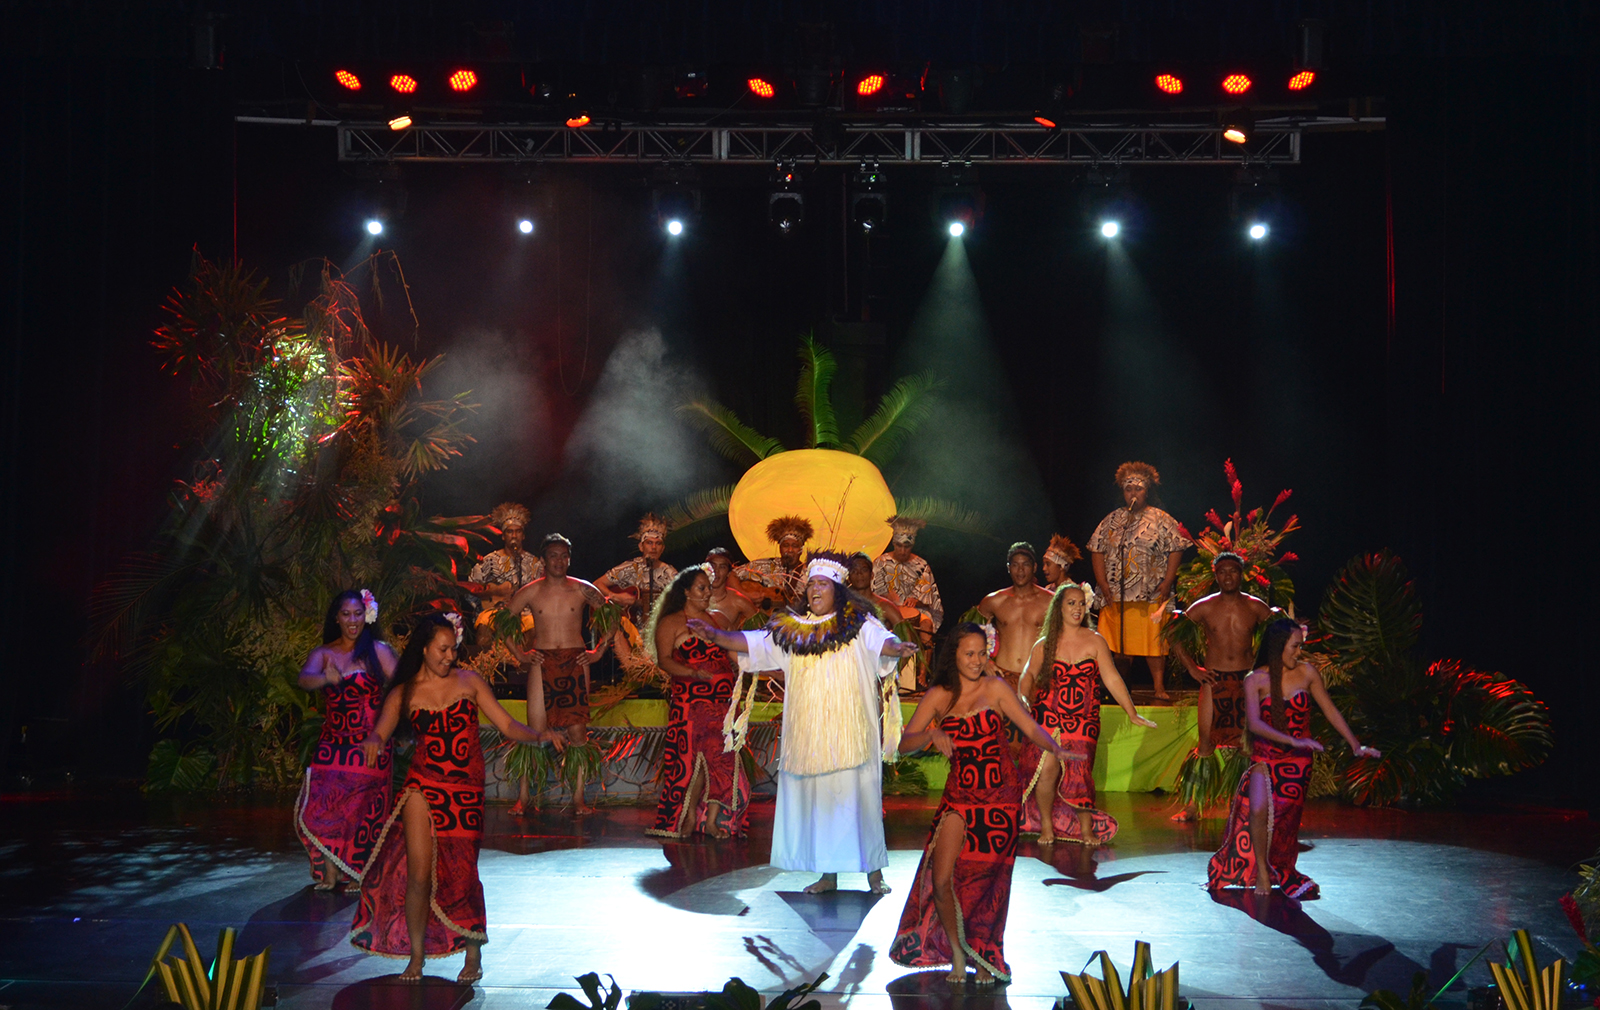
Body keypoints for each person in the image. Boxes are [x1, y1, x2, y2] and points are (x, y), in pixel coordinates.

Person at [687, 551, 917, 895]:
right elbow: (752, 642)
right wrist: (715, 635)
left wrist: (897, 648)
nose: (814, 590)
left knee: (859, 802)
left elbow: (883, 642)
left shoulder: (860, 623)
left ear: (837, 590)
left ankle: (874, 875)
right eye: (811, 584)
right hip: (809, 734)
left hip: (852, 733)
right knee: (821, 805)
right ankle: (827, 875)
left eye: (822, 584)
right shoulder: (792, 630)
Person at [350, 612, 564, 983]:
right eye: (442, 649)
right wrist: (372, 740)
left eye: (453, 648)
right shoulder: (405, 693)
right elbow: (381, 731)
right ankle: (416, 957)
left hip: (465, 789)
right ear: (424, 648)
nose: (450, 656)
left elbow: (507, 724)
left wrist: (538, 735)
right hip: (423, 783)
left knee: (462, 870)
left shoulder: (469, 682)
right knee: (419, 873)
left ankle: (472, 950)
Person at [889, 623, 1076, 985]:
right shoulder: (940, 695)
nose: (977, 661)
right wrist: (931, 733)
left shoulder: (995, 688)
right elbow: (902, 744)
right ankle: (958, 952)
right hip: (959, 798)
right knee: (942, 880)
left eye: (981, 653)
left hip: (1000, 802)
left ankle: (982, 952)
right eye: (969, 654)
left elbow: (1029, 726)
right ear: (954, 656)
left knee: (987, 883)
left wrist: (1055, 747)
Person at [1206, 619, 1379, 899]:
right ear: (1278, 646)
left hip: (1298, 763)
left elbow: (1331, 710)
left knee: (1285, 823)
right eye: (1295, 646)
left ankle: (1282, 869)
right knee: (1259, 810)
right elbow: (1255, 723)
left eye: (1300, 646)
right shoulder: (1255, 679)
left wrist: (1356, 745)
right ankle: (1262, 871)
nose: (1299, 652)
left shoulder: (1307, 674)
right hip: (1265, 756)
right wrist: (1293, 740)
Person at [1017, 583, 1157, 844]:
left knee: (1080, 771)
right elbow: (1028, 676)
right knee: (1046, 769)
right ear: (1059, 607)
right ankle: (1046, 826)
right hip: (1048, 715)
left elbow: (1112, 679)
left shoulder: (1096, 641)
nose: (1078, 608)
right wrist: (1023, 698)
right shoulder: (1044, 644)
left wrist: (1132, 712)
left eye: (1081, 603)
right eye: (1071, 603)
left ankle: (1085, 828)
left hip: (1084, 718)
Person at [295, 589, 399, 892]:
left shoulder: (378, 651)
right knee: (323, 805)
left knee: (360, 808)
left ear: (365, 616)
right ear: (336, 618)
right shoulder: (324, 653)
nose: (352, 621)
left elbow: (402, 687)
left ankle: (358, 871)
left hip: (370, 741)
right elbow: (304, 679)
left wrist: (384, 731)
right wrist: (325, 679)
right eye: (346, 614)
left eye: (357, 614)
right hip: (333, 742)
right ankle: (330, 873)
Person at [504, 534, 610, 814]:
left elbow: (611, 617)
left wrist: (598, 650)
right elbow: (503, 623)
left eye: (564, 556)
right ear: (543, 560)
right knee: (535, 729)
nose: (559, 561)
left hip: (576, 660)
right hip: (542, 660)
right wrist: (520, 655)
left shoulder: (582, 589)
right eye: (553, 555)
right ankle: (524, 798)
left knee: (577, 731)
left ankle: (578, 799)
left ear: (570, 559)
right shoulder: (530, 591)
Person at [644, 566, 750, 839]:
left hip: (722, 702)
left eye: (708, 587)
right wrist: (692, 673)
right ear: (686, 592)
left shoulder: (715, 620)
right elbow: (664, 660)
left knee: (722, 760)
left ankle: (712, 822)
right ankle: (689, 816)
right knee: (691, 762)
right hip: (690, 702)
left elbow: (731, 653)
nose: (707, 593)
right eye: (701, 588)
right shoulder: (672, 622)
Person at [1170, 552, 1275, 821]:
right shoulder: (1203, 607)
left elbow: (1280, 635)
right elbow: (1174, 635)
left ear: (1242, 574)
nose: (1228, 576)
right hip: (1214, 681)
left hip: (1246, 682)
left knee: (1245, 746)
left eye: (1233, 571)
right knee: (1205, 743)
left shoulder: (1255, 606)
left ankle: (1240, 803)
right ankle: (1193, 806)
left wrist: (1264, 671)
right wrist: (1194, 669)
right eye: (1223, 572)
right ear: (1215, 575)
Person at [1088, 462, 1193, 700]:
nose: (1133, 493)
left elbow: (1177, 547)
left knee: (1154, 642)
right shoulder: (1113, 520)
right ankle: (1117, 688)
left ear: (1148, 491)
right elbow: (1096, 549)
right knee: (1118, 643)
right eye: (1128, 489)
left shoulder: (1162, 519)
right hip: (1117, 592)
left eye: (1138, 489)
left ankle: (1158, 688)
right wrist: (1103, 584)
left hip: (1152, 591)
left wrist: (1168, 581)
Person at [975, 542, 1054, 694]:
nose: (1020, 570)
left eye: (1025, 564)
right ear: (1008, 567)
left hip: (1037, 679)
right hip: (1003, 676)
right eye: (1015, 565)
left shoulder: (1050, 602)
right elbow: (967, 636)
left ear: (1035, 567)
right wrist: (984, 660)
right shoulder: (993, 601)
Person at [594, 512, 679, 628]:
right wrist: (615, 596)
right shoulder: (629, 568)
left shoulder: (670, 573)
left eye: (658, 543)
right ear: (641, 546)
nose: (653, 547)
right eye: (649, 543)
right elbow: (597, 584)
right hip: (628, 631)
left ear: (662, 548)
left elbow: (682, 600)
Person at [872, 515, 944, 632]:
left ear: (912, 545)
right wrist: (886, 599)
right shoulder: (881, 563)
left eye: (907, 547)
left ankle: (925, 650)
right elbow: (871, 594)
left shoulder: (922, 565)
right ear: (894, 544)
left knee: (926, 624)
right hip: (886, 609)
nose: (902, 551)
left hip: (916, 611)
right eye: (899, 546)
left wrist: (917, 601)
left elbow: (930, 602)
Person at [734, 515, 813, 609]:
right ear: (780, 548)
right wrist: (745, 594)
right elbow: (732, 575)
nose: (790, 550)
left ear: (801, 549)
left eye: (795, 546)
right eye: (786, 545)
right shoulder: (765, 565)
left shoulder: (810, 574)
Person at [705, 548, 758, 630]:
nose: (716, 571)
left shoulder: (738, 601)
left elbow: (761, 632)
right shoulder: (691, 598)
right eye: (712, 566)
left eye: (722, 567)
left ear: (728, 573)